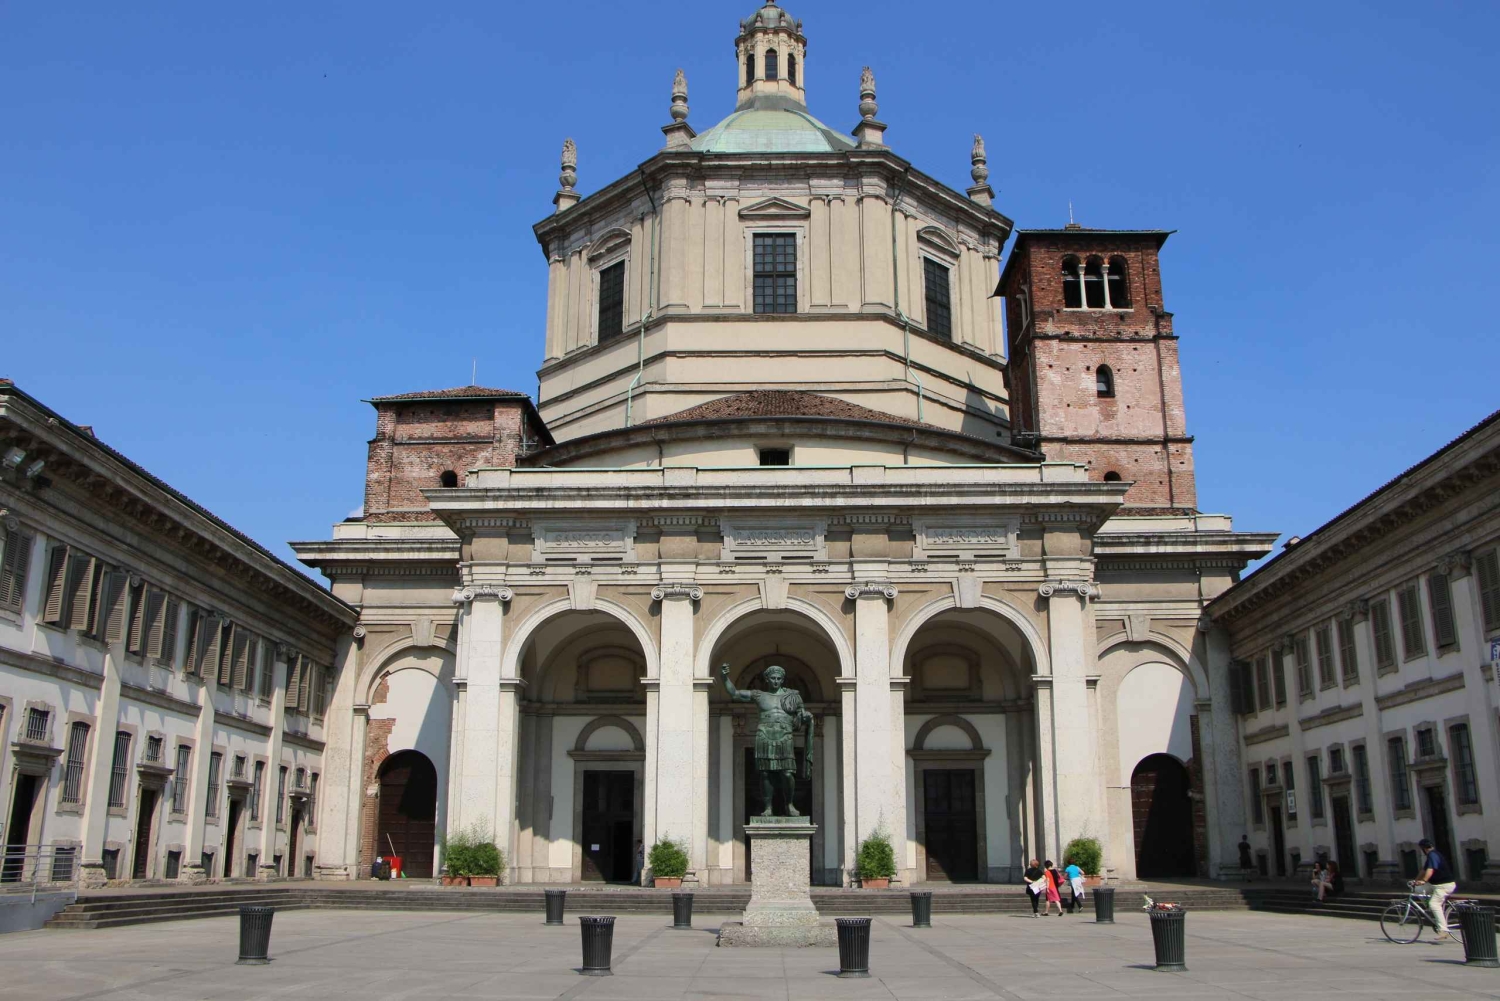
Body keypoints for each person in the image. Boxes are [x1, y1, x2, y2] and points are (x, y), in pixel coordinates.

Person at [1413, 837, 1457, 942]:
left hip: (1444, 885)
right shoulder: (1431, 856)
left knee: (1434, 904)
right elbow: (1423, 870)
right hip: (1436, 885)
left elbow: (1430, 870)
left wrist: (1424, 880)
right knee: (1418, 889)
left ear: (1424, 848)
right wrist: (1415, 881)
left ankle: (1443, 930)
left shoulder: (1433, 855)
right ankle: (1429, 907)